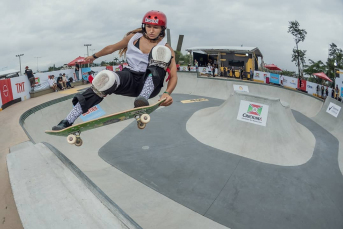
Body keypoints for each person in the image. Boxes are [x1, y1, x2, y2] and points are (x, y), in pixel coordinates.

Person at [52, 10, 177, 130]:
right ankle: (68, 120)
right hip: (130, 78)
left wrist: (167, 93)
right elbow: (111, 48)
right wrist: (94, 56)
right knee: (105, 78)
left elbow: (173, 75)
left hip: (150, 83)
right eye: (148, 26)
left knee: (161, 52)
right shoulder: (133, 38)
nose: (151, 31)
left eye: (155, 28)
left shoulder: (166, 48)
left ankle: (142, 98)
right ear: (144, 26)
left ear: (162, 29)